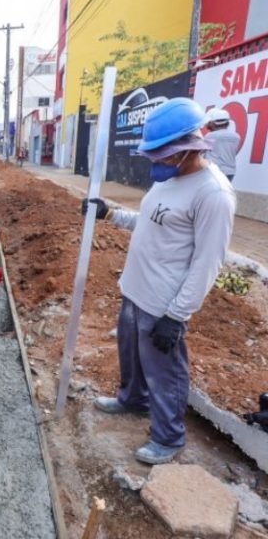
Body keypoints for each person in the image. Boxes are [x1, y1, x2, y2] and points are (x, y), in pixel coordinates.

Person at [82, 97, 236, 465]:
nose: (158, 160)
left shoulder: (212, 194)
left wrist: (176, 315)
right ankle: (132, 400)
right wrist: (111, 214)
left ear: (189, 148)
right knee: (130, 355)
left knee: (164, 371)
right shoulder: (169, 179)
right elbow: (152, 220)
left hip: (164, 303)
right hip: (135, 290)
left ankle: (169, 437)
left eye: (165, 153)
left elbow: (207, 263)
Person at [204, 108, 241, 182]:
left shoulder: (210, 136)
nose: (206, 124)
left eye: (209, 122)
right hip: (230, 172)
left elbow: (202, 153)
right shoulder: (236, 136)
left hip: (214, 172)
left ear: (213, 123)